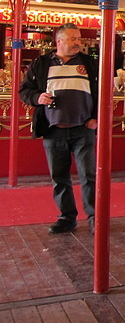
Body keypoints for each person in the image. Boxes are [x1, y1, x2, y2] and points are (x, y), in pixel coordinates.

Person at [19, 23, 98, 234]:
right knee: (59, 177)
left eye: (79, 38)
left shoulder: (90, 63)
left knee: (88, 175)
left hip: (84, 128)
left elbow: (102, 92)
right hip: (53, 129)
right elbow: (24, 90)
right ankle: (67, 217)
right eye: (73, 39)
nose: (78, 43)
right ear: (59, 41)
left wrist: (95, 117)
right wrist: (38, 98)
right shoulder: (41, 64)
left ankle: (93, 218)